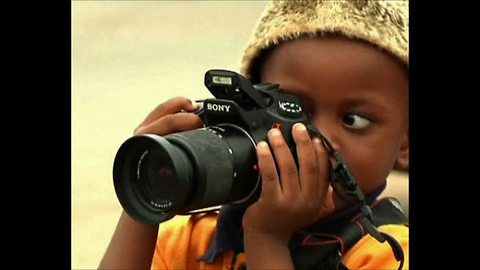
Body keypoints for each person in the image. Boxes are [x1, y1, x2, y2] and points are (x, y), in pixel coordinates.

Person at [98, 0, 409, 269]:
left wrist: (267, 239)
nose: (316, 139)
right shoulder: (192, 243)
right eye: (293, 108)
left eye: (354, 120)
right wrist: (143, 203)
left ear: (405, 143)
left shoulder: (391, 255)